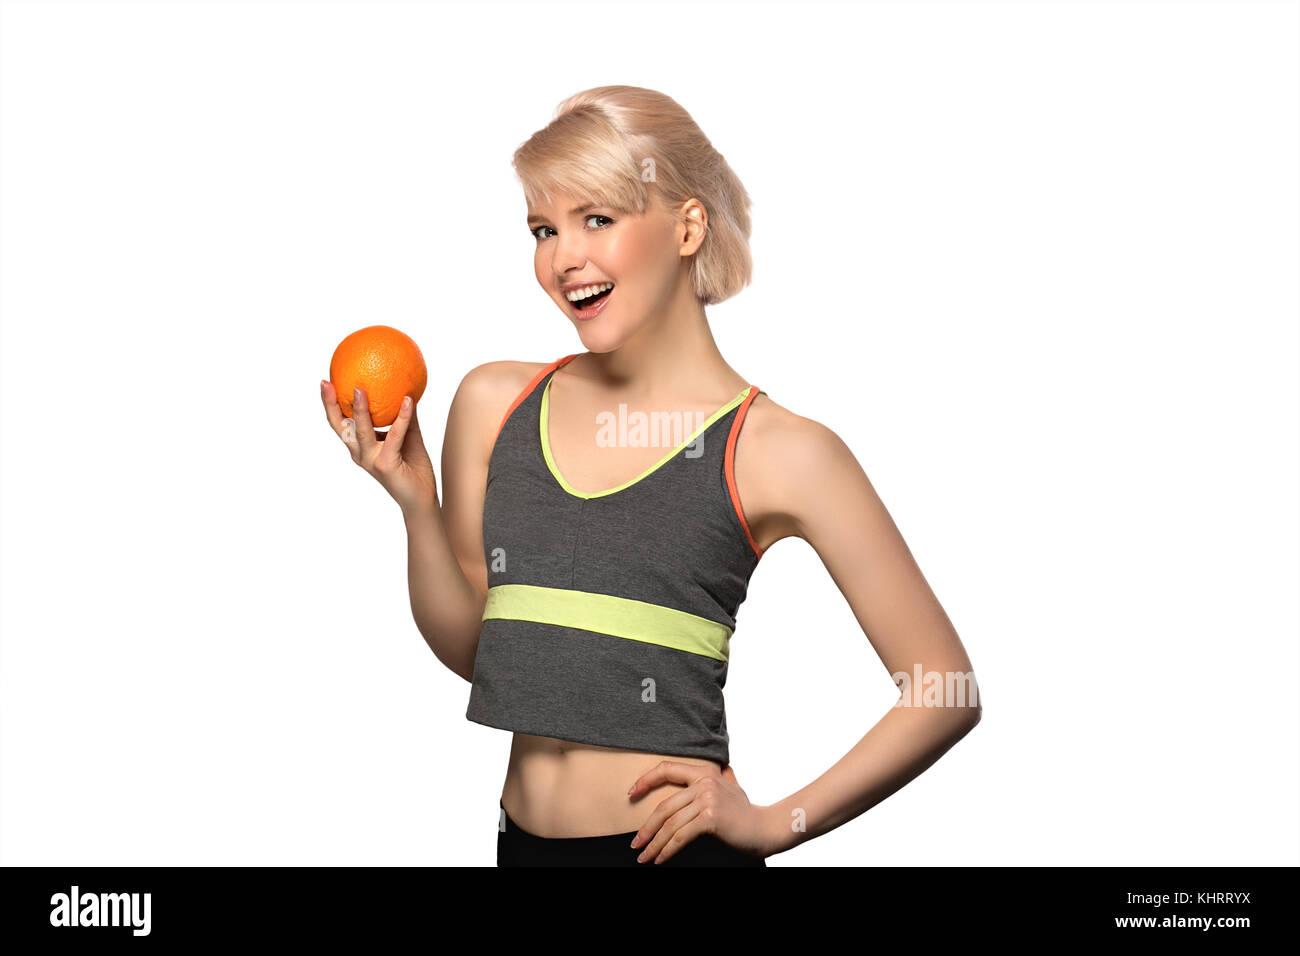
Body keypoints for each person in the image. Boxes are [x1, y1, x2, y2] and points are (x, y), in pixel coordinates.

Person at [320, 85, 983, 866]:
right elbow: (482, 652)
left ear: (687, 226)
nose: (564, 258)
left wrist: (778, 823)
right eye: (543, 228)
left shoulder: (777, 449)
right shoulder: (496, 403)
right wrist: (414, 504)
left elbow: (945, 690)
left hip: (669, 857)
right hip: (516, 844)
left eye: (597, 219)